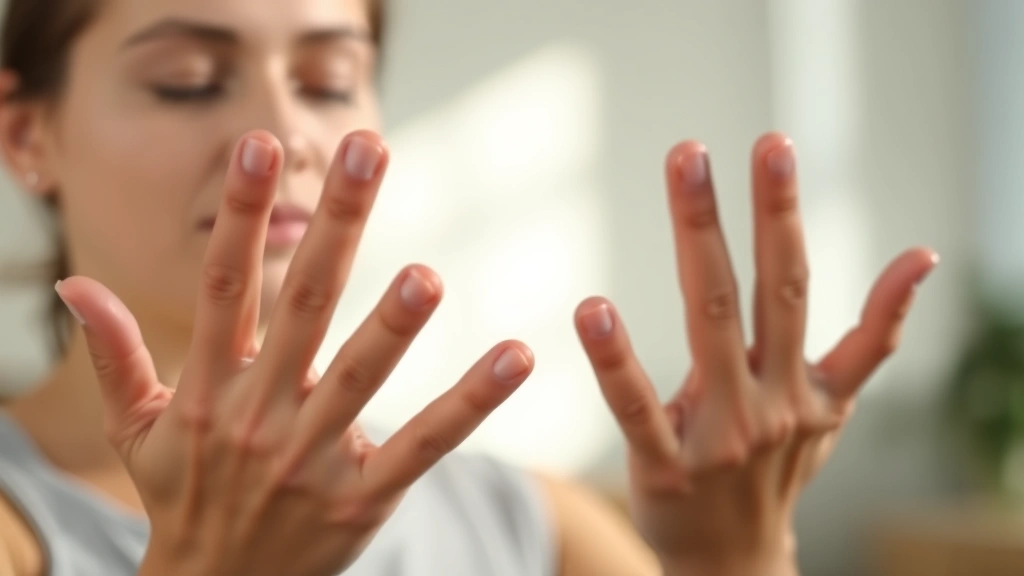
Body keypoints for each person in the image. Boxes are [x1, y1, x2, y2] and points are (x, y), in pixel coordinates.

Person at [0, 0, 939, 575]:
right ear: (26, 134)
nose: (283, 134)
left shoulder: (526, 526)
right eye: (188, 81)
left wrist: (735, 555)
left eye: (330, 81)